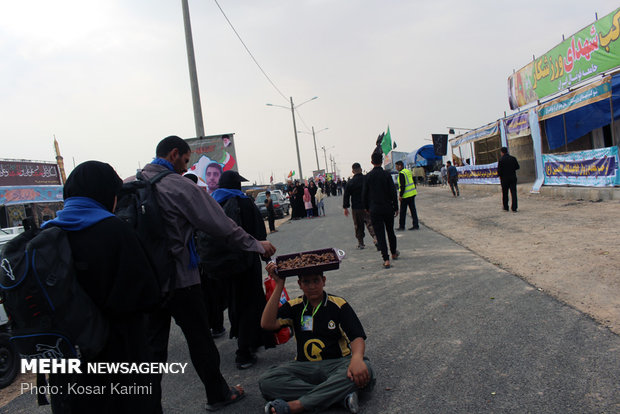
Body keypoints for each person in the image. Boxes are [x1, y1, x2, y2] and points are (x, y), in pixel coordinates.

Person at [140, 136, 276, 412]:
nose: (186, 168)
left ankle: (147, 407)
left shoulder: (132, 184)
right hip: (181, 280)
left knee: (152, 349)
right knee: (200, 339)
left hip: (148, 282)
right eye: (186, 161)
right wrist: (255, 244)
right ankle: (217, 394)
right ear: (175, 154)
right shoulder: (177, 186)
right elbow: (220, 226)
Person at [43, 161, 160, 414]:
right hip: (119, 357)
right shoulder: (114, 231)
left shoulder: (48, 235)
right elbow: (148, 293)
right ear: (106, 194)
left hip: (67, 363)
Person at [259, 263, 374, 414]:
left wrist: (357, 358)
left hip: (338, 364)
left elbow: (356, 336)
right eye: (306, 282)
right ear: (299, 284)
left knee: (365, 370)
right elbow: (267, 324)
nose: (312, 286)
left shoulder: (338, 304)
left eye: (316, 280)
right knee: (267, 381)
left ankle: (297, 405)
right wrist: (279, 285)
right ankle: (338, 397)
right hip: (304, 366)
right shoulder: (294, 306)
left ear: (324, 281)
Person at [211, 171, 276, 369]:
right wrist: (267, 260)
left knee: (235, 303)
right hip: (246, 264)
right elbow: (258, 235)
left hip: (223, 267)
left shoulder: (213, 204)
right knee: (251, 304)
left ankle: (247, 340)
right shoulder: (244, 203)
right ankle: (244, 352)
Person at [362, 149, 399, 269]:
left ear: (372, 162)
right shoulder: (386, 175)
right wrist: (396, 207)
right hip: (387, 208)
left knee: (380, 234)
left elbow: (364, 194)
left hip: (375, 209)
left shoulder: (368, 177)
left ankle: (386, 259)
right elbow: (393, 192)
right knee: (390, 231)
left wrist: (366, 208)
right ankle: (393, 252)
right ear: (381, 161)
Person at [343, 162, 377, 250]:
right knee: (370, 223)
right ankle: (375, 238)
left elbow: (346, 195)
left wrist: (345, 207)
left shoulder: (350, 182)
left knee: (358, 225)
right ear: (361, 170)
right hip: (368, 207)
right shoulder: (367, 179)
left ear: (353, 171)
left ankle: (361, 243)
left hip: (356, 208)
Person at [394, 160, 419, 231]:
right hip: (412, 193)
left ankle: (402, 226)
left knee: (403, 211)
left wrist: (400, 195)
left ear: (400, 166)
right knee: (413, 210)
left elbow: (403, 185)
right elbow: (413, 181)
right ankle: (416, 224)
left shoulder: (401, 173)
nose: (396, 168)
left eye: (396, 166)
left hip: (406, 195)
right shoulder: (407, 171)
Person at [497, 146, 520, 212]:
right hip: (513, 177)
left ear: (502, 152)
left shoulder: (501, 160)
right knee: (514, 193)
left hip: (504, 179)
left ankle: (506, 207)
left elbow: (499, 171)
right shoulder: (513, 158)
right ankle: (514, 207)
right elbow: (517, 167)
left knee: (505, 193)